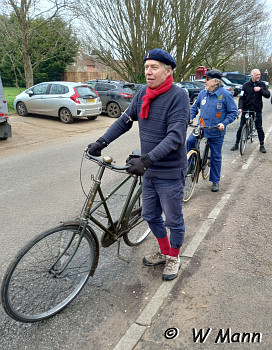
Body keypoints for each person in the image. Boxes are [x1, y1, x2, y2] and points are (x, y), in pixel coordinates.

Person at [87, 48, 190, 281]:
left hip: (170, 172)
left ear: (168, 70)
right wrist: (101, 141)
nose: (148, 72)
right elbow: (125, 121)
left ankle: (173, 256)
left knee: (173, 220)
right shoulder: (143, 93)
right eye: (146, 67)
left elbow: (175, 137)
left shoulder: (178, 96)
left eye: (154, 67)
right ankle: (165, 251)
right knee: (151, 215)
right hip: (150, 170)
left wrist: (147, 159)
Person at [188, 70, 238, 192]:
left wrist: (224, 123)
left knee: (216, 156)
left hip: (216, 130)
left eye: (207, 79)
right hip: (202, 127)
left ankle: (215, 180)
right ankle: (191, 165)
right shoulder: (202, 94)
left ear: (215, 82)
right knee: (190, 141)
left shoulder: (225, 95)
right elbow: (194, 108)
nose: (205, 81)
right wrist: (190, 118)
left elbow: (233, 113)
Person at [231, 69, 270, 153]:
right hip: (246, 109)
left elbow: (268, 95)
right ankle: (236, 143)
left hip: (257, 109)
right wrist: (240, 108)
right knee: (241, 127)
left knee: (259, 128)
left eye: (259, 74)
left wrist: (260, 89)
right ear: (252, 76)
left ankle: (262, 145)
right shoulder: (245, 85)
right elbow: (241, 98)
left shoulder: (262, 84)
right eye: (257, 75)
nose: (259, 76)